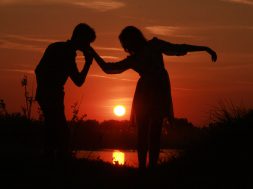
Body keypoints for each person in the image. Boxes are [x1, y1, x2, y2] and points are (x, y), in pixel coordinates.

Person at [90, 26, 217, 170]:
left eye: (127, 43)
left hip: (157, 92)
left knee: (154, 131)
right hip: (146, 92)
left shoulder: (154, 45)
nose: (126, 46)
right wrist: (92, 53)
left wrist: (205, 48)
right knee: (144, 131)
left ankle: (151, 167)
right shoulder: (135, 58)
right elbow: (109, 68)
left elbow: (178, 48)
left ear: (134, 39)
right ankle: (144, 168)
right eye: (125, 44)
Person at [35, 23, 96, 162]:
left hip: (46, 93)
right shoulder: (67, 53)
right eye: (87, 42)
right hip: (52, 94)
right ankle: (60, 160)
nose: (88, 45)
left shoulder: (55, 47)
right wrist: (88, 63)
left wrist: (45, 86)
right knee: (61, 131)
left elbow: (38, 70)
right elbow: (79, 81)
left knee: (51, 127)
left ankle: (49, 157)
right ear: (80, 38)